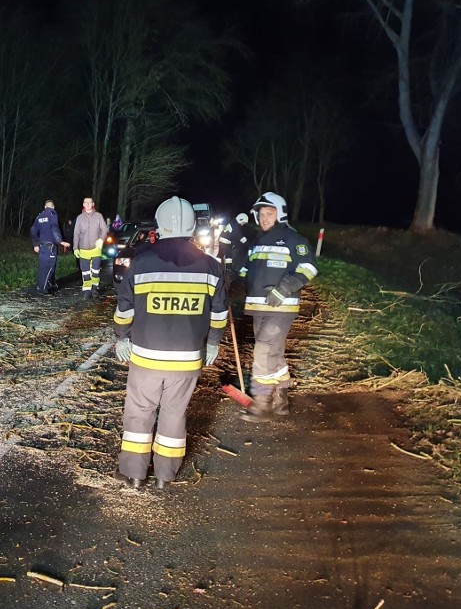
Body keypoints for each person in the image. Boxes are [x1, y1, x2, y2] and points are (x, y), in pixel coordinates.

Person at [112, 196, 228, 489]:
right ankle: (165, 476)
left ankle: (134, 473)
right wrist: (212, 343)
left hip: (146, 356)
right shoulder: (211, 267)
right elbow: (220, 313)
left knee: (139, 412)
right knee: (175, 414)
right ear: (192, 225)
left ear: (159, 225)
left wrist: (121, 337)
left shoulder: (142, 261)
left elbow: (124, 308)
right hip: (188, 358)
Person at [238, 192, 318, 422]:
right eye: (261, 214)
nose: (264, 218)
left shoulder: (295, 240)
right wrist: (232, 280)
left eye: (269, 214)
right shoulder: (256, 242)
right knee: (274, 352)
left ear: (279, 214)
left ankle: (261, 404)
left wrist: (283, 289)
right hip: (258, 308)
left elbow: (309, 268)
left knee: (263, 351)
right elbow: (246, 271)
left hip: (281, 307)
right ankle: (282, 396)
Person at [30, 200, 71, 295]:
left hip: (42, 245)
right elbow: (55, 228)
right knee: (49, 267)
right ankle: (43, 289)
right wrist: (61, 241)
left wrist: (35, 244)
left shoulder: (39, 216)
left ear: (45, 207)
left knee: (42, 267)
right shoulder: (53, 214)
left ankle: (46, 285)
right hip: (50, 246)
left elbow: (33, 230)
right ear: (53, 207)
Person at [72, 197, 108, 298]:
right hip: (83, 249)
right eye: (85, 203)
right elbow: (76, 233)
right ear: (83, 204)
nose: (87, 204)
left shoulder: (98, 216)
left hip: (96, 249)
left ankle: (94, 288)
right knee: (86, 272)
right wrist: (75, 248)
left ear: (93, 204)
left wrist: (101, 239)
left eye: (89, 202)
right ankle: (86, 290)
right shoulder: (79, 218)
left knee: (95, 271)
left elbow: (104, 230)